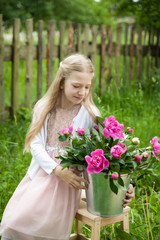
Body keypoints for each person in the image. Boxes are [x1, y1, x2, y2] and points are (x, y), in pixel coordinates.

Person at [0, 54, 134, 240]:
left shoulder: (90, 114)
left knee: (46, 229)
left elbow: (107, 151)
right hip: (43, 172)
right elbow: (36, 144)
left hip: (70, 180)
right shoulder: (44, 107)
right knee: (12, 223)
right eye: (76, 86)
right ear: (62, 82)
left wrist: (129, 183)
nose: (82, 92)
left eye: (87, 87)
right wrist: (57, 169)